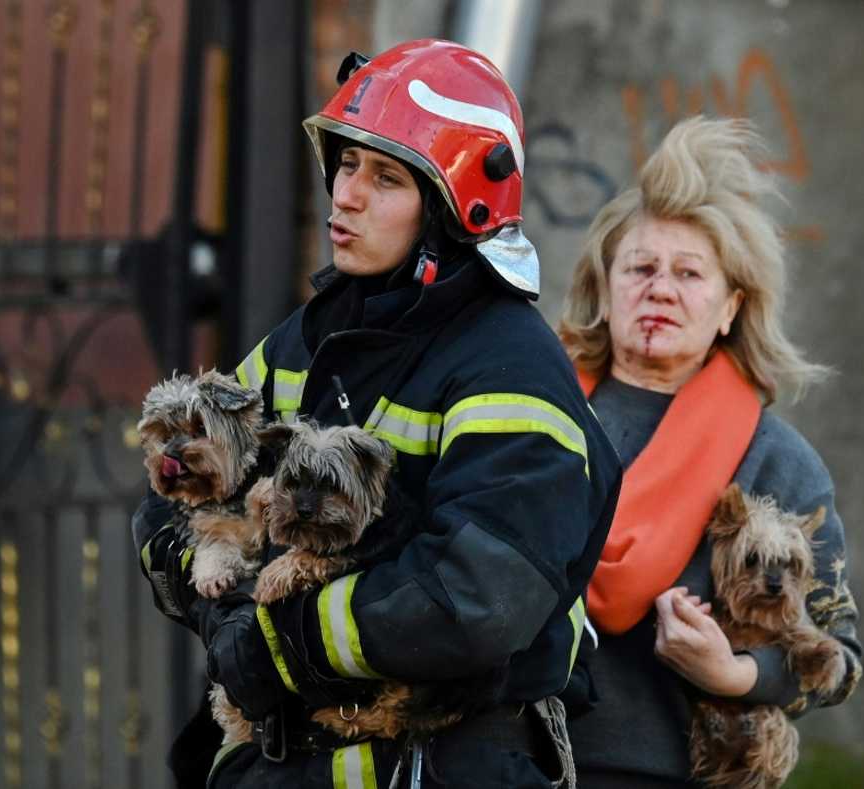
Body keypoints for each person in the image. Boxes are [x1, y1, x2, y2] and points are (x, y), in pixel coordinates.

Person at [133, 39, 621, 788]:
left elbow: (478, 598)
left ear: (457, 208)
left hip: (445, 764)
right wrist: (226, 618)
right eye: (347, 165)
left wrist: (282, 642)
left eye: (386, 177)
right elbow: (174, 495)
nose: (347, 195)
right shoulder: (309, 338)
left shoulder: (511, 370)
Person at [557, 116, 863, 788]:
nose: (660, 288)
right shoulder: (537, 417)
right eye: (639, 267)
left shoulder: (776, 460)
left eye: (690, 274)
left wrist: (735, 673)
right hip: (514, 769)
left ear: (731, 306)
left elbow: (838, 655)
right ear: (603, 289)